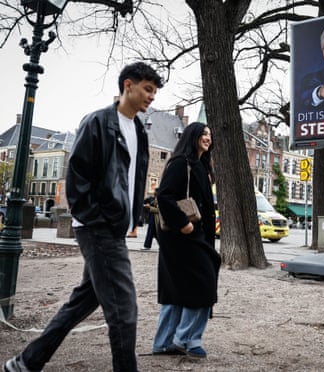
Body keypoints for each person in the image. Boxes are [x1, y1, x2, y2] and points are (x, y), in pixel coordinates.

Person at [3, 62, 164, 372]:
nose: (151, 97)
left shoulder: (140, 132)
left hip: (113, 228)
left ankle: (25, 362)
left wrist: (129, 219)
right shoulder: (97, 122)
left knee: (82, 302)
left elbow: (132, 179)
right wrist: (96, 218)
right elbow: (77, 180)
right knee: (124, 308)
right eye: (147, 89)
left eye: (154, 92)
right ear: (127, 85)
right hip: (98, 228)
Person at [151, 122, 221, 359]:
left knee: (176, 290)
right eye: (203, 133)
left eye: (210, 135)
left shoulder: (200, 165)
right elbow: (164, 196)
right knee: (204, 286)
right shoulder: (181, 164)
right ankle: (185, 338)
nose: (207, 138)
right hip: (183, 237)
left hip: (190, 238)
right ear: (192, 136)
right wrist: (184, 223)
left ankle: (163, 343)